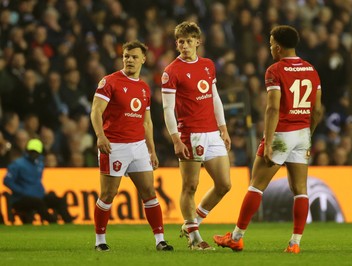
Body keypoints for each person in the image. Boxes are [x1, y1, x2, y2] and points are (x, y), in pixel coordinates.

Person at [213, 25, 323, 253]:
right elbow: (318, 111)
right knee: (300, 189)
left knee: (256, 186)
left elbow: (273, 108)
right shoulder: (311, 70)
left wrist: (270, 140)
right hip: (302, 133)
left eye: (271, 43)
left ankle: (236, 237)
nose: (270, 47)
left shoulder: (275, 70)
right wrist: (308, 137)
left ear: (278, 46)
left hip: (282, 133)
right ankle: (294, 244)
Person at [90, 40, 173, 252]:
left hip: (138, 147)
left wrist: (151, 150)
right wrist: (100, 136)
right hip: (114, 145)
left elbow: (147, 122)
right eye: (126, 56)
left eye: (134, 57)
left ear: (143, 60)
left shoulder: (144, 87)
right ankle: (100, 240)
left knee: (149, 192)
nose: (129, 60)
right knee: (108, 194)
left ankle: (160, 240)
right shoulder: (109, 82)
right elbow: (96, 111)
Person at [161, 21, 231, 250]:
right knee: (190, 186)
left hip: (212, 132)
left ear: (197, 42)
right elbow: (167, 109)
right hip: (190, 134)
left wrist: (223, 127)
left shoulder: (208, 65)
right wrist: (175, 138)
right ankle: (194, 238)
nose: (184, 45)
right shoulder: (171, 71)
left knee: (224, 184)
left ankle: (192, 223)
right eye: (180, 41)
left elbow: (214, 97)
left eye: (189, 41)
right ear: (176, 43)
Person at [3, 138, 73, 224]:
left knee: (59, 200)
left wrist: (41, 191)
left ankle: (69, 221)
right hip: (20, 199)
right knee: (38, 203)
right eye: (32, 151)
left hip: (38, 196)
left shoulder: (39, 164)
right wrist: (21, 191)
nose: (34, 154)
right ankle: (53, 221)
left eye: (35, 152)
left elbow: (36, 181)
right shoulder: (17, 164)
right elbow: (7, 181)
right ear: (27, 151)